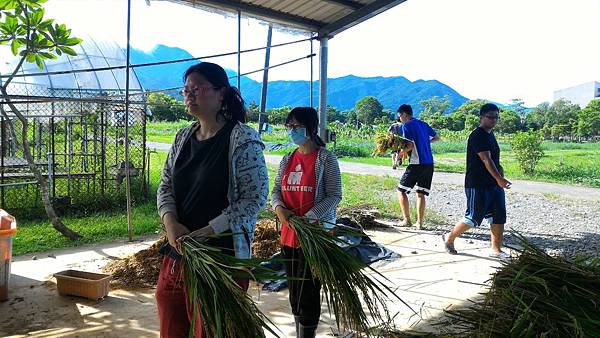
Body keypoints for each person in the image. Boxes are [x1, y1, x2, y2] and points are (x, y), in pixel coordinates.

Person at [155, 62, 269, 337]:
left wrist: (209, 230)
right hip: (179, 254)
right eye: (186, 90)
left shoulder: (241, 138)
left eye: (197, 89)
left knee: (209, 329)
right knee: (171, 320)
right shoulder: (183, 136)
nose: (189, 95)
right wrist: (171, 224)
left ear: (221, 94)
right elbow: (165, 185)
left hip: (221, 258)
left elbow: (254, 198)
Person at [271, 107, 342, 338]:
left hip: (316, 236)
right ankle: (300, 329)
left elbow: (334, 195)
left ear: (310, 128)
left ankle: (306, 334)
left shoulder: (325, 158)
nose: (292, 131)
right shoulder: (288, 158)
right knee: (294, 290)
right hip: (289, 235)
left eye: (297, 127)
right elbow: (276, 191)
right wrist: (279, 209)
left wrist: (310, 218)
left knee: (309, 290)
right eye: (289, 127)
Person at [442, 103, 511, 259]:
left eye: (496, 117)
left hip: (493, 183)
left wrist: (500, 174)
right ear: (481, 118)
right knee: (473, 217)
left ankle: (496, 249)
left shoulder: (490, 135)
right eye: (490, 117)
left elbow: (493, 158)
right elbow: (486, 159)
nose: (494, 120)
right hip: (477, 184)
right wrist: (499, 178)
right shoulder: (478, 135)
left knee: (499, 216)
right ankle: (449, 238)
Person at [396, 104, 440, 229]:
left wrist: (401, 153)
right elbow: (436, 137)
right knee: (420, 192)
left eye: (399, 116)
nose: (399, 119)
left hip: (417, 163)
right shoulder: (423, 124)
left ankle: (406, 220)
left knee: (401, 190)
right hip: (429, 163)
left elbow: (409, 145)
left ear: (404, 114)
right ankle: (419, 223)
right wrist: (425, 142)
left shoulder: (407, 125)